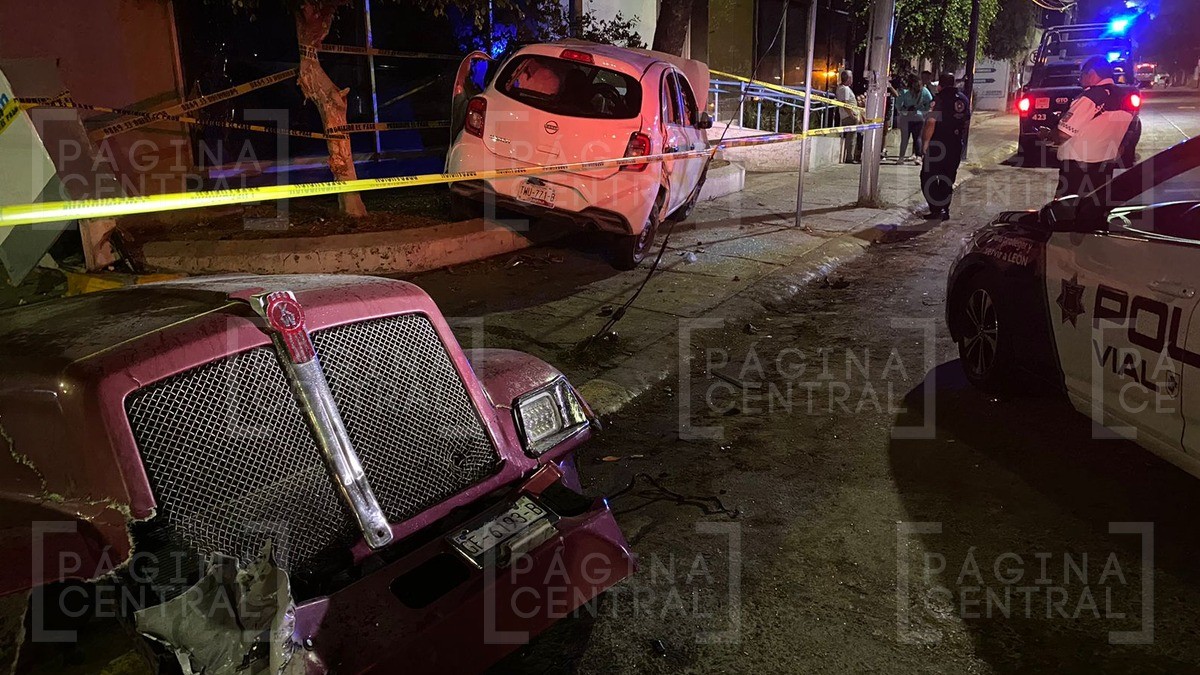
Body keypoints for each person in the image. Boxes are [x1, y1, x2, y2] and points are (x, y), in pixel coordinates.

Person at [1038, 56, 1135, 210]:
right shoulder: (1123, 97)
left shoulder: (1090, 98)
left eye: (1081, 74)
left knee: (1065, 212)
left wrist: (1047, 134)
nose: (1080, 79)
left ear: (1092, 74)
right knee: (1095, 211)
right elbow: (1131, 130)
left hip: (1078, 170)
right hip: (1105, 168)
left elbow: (1063, 134)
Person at [919, 72, 971, 220]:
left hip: (938, 145)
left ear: (940, 86)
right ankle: (945, 210)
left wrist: (925, 145)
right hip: (955, 144)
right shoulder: (963, 100)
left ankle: (935, 209)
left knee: (927, 176)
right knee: (948, 177)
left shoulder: (939, 99)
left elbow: (931, 122)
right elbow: (966, 122)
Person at [896, 73, 932, 162]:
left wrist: (902, 110)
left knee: (904, 138)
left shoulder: (905, 92)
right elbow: (930, 101)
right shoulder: (924, 91)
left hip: (906, 117)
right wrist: (925, 110)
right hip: (919, 117)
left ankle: (901, 158)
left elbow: (898, 105)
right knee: (918, 138)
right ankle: (918, 157)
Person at [836, 70, 862, 163]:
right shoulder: (845, 89)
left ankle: (851, 156)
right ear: (849, 78)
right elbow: (845, 103)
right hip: (849, 116)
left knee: (852, 137)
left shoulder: (842, 88)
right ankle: (849, 158)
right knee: (851, 138)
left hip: (846, 115)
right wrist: (852, 115)